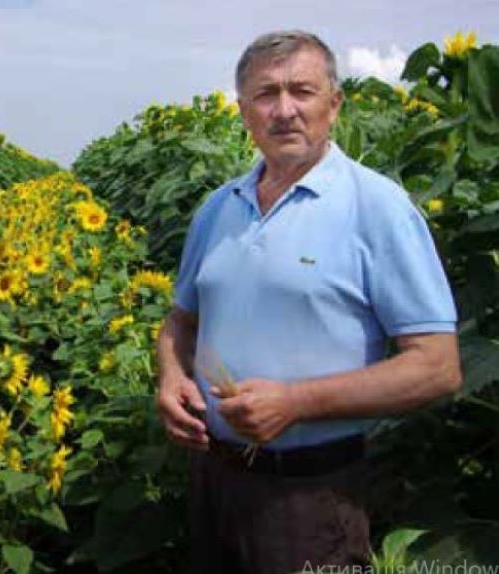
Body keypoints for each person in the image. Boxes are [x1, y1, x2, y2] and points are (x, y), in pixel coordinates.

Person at [155, 30, 461, 574]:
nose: (284, 110)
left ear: (334, 105)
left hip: (312, 495)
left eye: (302, 91)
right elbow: (181, 321)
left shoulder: (378, 207)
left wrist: (296, 402)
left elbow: (437, 368)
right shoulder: (217, 209)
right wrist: (171, 376)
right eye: (266, 94)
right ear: (243, 111)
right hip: (213, 480)